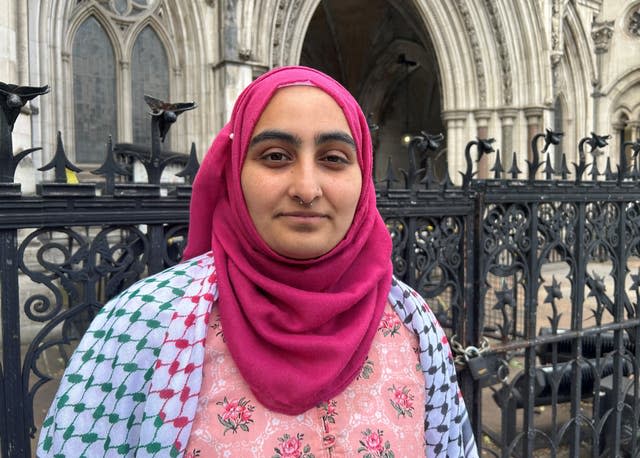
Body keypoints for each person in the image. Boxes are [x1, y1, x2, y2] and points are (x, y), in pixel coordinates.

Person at [37, 66, 478, 457]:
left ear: (362, 177)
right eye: (275, 156)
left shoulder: (412, 323)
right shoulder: (141, 325)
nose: (307, 188)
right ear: (234, 172)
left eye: (333, 159)